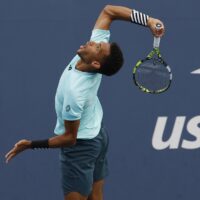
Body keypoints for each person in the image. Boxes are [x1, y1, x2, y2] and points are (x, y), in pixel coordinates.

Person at [5, 5, 165, 200]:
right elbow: (109, 11)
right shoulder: (93, 58)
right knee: (96, 197)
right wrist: (148, 20)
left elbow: (69, 138)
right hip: (98, 133)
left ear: (96, 63)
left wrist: (31, 145)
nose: (92, 42)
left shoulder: (75, 91)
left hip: (81, 147)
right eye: (98, 43)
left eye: (97, 46)